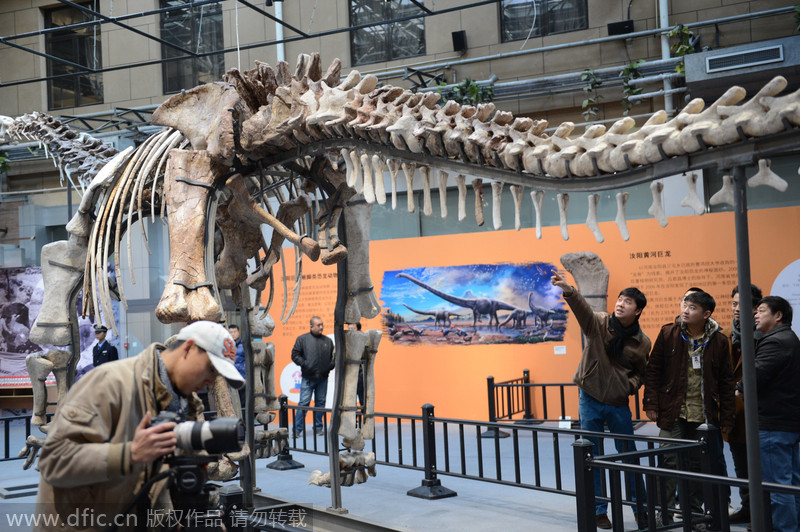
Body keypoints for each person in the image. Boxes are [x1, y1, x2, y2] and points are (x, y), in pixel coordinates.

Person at [35, 320, 244, 532]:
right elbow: (53, 461)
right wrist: (130, 453)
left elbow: (158, 483)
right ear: (188, 348)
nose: (211, 381)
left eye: (217, 375)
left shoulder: (186, 405)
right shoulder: (111, 383)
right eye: (210, 368)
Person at [551, 272, 650, 530]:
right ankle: (598, 510)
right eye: (619, 299)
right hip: (590, 397)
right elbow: (583, 310)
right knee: (591, 454)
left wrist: (628, 386)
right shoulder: (600, 324)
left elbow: (641, 372)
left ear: (637, 311)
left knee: (629, 455)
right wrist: (569, 291)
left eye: (627, 302)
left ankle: (641, 509)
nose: (620, 303)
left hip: (618, 403)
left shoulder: (642, 342)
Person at [644, 290, 735, 527]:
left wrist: (726, 416)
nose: (685, 310)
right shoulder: (669, 333)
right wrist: (651, 403)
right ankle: (661, 512)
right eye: (685, 304)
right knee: (667, 459)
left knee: (698, 466)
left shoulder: (719, 340)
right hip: (674, 411)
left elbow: (726, 381)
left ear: (706, 314)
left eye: (692, 307)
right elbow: (654, 370)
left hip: (704, 414)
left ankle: (692, 514)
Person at [736, 296, 800, 532]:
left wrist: (739, 388)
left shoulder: (775, 342)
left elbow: (754, 376)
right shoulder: (788, 339)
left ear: (778, 315)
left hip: (773, 425)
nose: (755, 314)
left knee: (778, 487)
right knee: (791, 484)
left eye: (761, 310)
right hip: (786, 423)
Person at [726, 284, 763, 525]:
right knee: (741, 466)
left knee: (762, 468)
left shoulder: (763, 335)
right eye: (734, 303)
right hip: (735, 414)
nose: (738, 309)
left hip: (759, 414)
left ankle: (762, 514)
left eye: (743, 304)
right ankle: (748, 509)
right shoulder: (729, 336)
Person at [292, 316, 335, 437]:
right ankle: (297, 430)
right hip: (308, 378)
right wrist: (305, 364)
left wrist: (330, 366)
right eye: (318, 325)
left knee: (320, 404)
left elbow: (333, 357)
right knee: (303, 404)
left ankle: (318, 428)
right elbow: (294, 355)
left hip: (323, 378)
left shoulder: (328, 341)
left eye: (322, 324)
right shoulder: (302, 339)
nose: (321, 327)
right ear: (311, 326)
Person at [347, 321, 366, 407]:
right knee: (350, 398)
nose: (350, 331)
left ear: (358, 329)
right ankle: (353, 419)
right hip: (349, 372)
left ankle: (365, 418)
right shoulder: (346, 339)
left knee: (362, 397)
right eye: (349, 329)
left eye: (352, 329)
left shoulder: (364, 339)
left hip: (360, 372)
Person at [230, 324, 247, 407]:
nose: (233, 334)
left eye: (234, 331)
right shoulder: (226, 345)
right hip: (230, 379)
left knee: (243, 403)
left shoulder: (244, 345)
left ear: (238, 332)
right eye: (230, 332)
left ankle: (244, 420)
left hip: (242, 378)